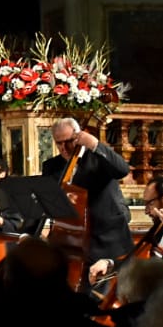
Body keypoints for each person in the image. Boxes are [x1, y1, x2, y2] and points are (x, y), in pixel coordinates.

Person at [40, 117, 133, 281]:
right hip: (73, 241)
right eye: (58, 143)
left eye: (68, 141)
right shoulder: (51, 166)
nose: (64, 148)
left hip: (106, 238)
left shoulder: (98, 157)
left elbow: (122, 170)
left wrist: (94, 144)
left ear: (78, 136)